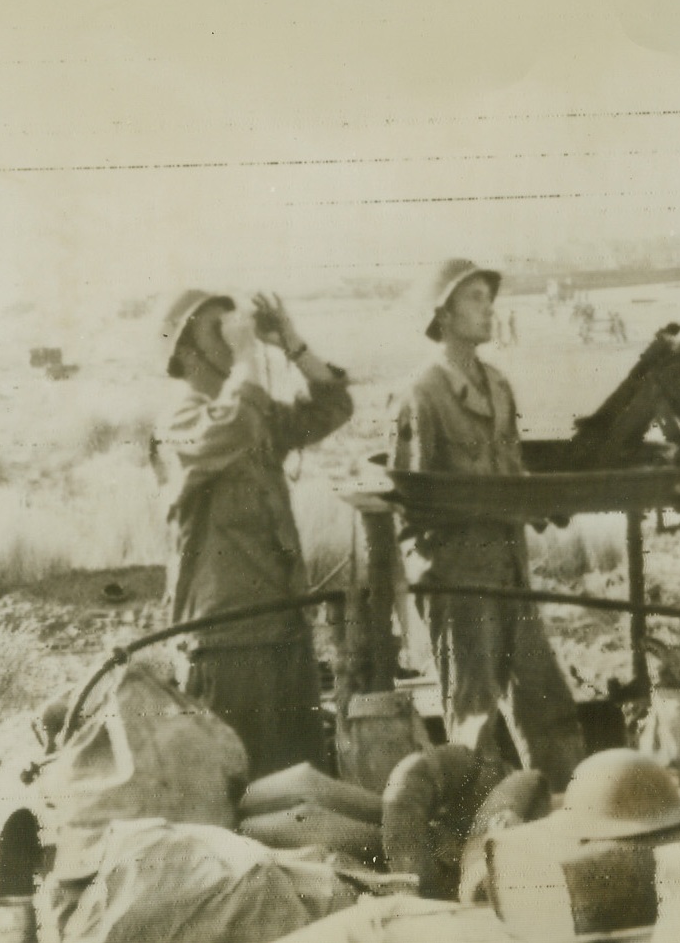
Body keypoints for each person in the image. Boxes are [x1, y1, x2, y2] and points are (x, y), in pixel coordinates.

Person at [392, 259, 585, 791]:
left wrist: (536, 500)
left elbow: (511, 472)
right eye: (475, 298)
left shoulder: (498, 386)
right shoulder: (422, 394)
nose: (488, 308)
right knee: (473, 723)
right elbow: (413, 502)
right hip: (459, 582)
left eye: (487, 297)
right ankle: (478, 841)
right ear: (444, 313)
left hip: (509, 574)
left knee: (547, 706)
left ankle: (572, 815)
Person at [153, 289, 353, 779]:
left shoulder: (252, 414)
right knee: (238, 792)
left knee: (299, 787)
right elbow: (237, 422)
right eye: (215, 329)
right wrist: (247, 356)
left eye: (232, 326)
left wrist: (291, 342)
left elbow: (333, 406)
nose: (232, 335)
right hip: (227, 646)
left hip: (284, 630)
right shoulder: (179, 424)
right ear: (184, 352)